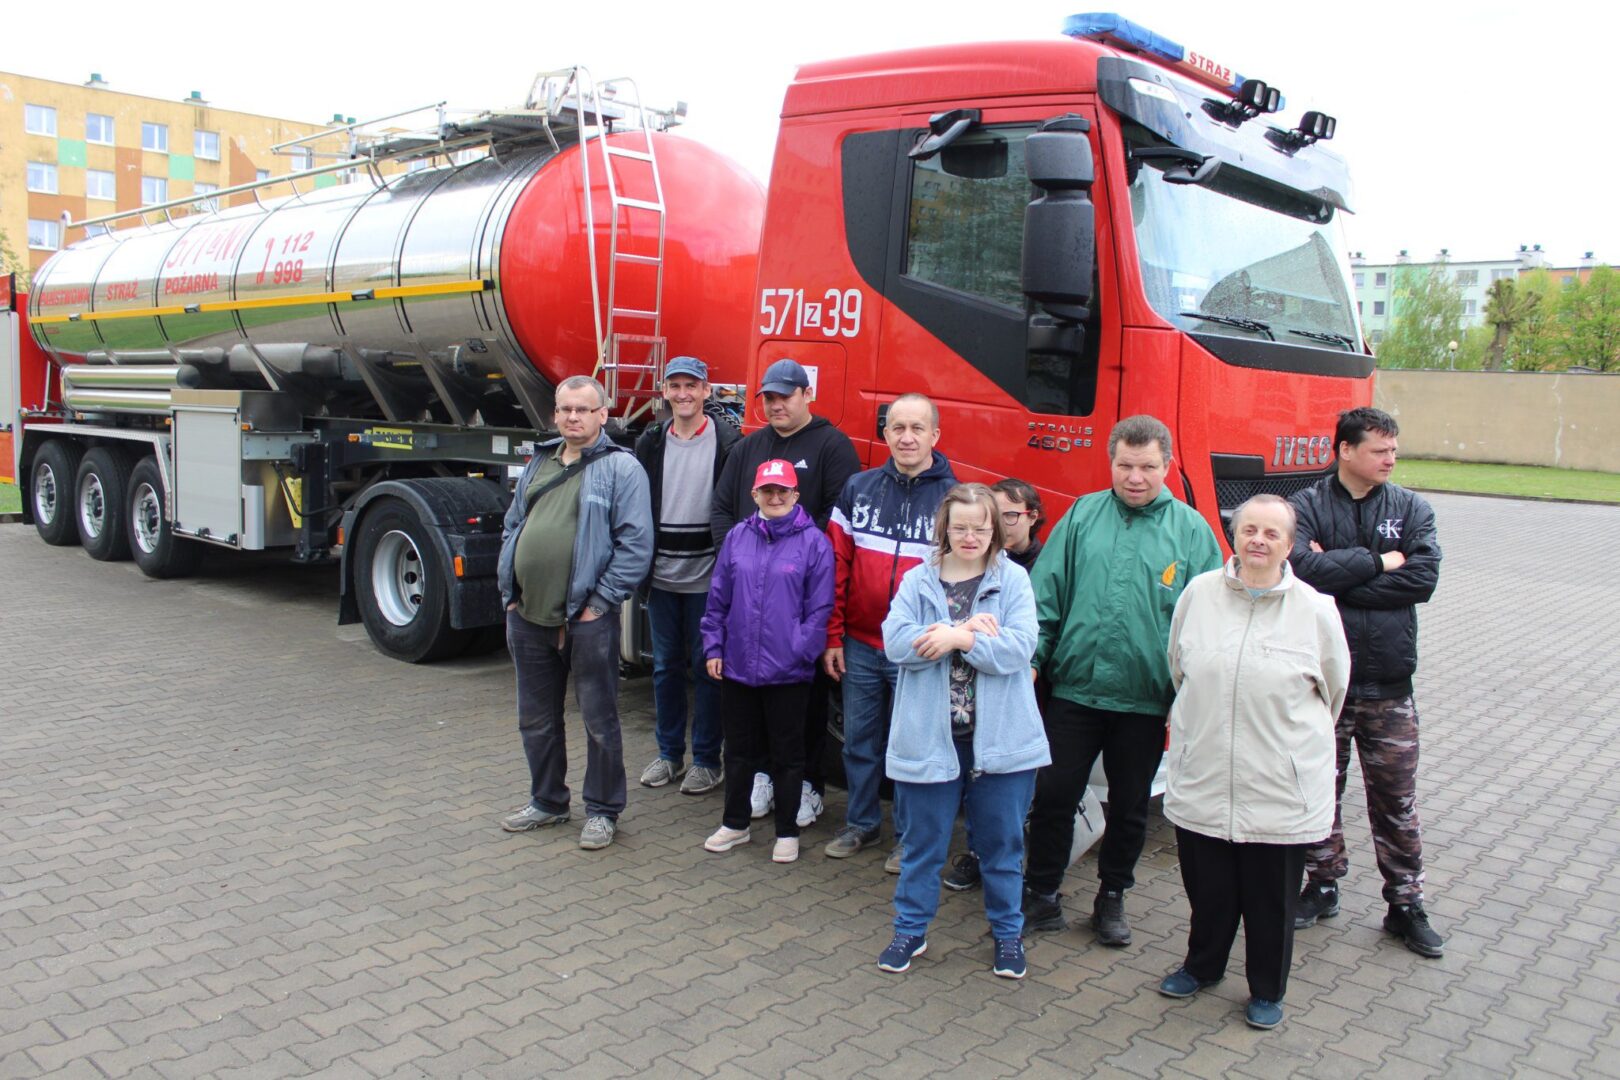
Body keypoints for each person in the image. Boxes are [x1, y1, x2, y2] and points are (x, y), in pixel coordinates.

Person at [1023, 415, 1223, 944]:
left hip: (1145, 699)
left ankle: (1112, 898)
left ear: (1167, 466)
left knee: (1131, 807)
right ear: (1111, 463)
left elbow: (1207, 623)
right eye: (1126, 465)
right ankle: (1041, 893)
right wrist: (1034, 659)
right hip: (1075, 691)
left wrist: (1193, 693)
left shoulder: (1192, 532)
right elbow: (1046, 597)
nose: (1136, 477)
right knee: (1054, 796)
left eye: (1148, 467)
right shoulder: (1082, 517)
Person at [1156, 494, 1349, 1030]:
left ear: (1289, 545)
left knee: (1270, 901)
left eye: (1271, 533)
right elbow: (1180, 667)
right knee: (1208, 889)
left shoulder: (1315, 610)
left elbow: (1333, 691)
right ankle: (1202, 967)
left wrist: (1285, 748)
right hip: (1206, 772)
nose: (1258, 541)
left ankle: (1266, 988)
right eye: (1249, 530)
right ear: (1234, 536)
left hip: (1276, 785)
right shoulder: (1199, 594)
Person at [1287, 407, 1445, 957]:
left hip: (1389, 687)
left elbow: (1422, 579)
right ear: (1346, 451)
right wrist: (1382, 564)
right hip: (1324, 688)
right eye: (1380, 450)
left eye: (1394, 450)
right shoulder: (1305, 506)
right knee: (1319, 793)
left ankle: (1405, 904)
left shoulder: (1411, 508)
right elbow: (1300, 573)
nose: (1391, 459)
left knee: (1396, 800)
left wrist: (1344, 575)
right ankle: (1322, 883)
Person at [877, 483, 1050, 978]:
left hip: (1001, 743)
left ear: (994, 528)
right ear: (944, 530)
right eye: (960, 527)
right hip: (930, 738)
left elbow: (1018, 650)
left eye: (981, 526)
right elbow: (895, 644)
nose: (970, 536)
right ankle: (909, 932)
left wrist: (955, 636)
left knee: (1001, 848)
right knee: (922, 846)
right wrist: (973, 632)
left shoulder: (1013, 581)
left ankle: (1008, 936)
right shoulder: (918, 581)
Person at [497, 376, 653, 850]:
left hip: (586, 618)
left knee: (599, 719)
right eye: (565, 409)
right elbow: (513, 523)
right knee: (536, 717)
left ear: (603, 415)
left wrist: (599, 603)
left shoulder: (621, 468)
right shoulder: (541, 460)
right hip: (527, 614)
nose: (572, 418)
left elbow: (636, 545)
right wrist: (510, 588)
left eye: (583, 410)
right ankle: (547, 802)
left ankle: (604, 810)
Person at [711, 358, 861, 829]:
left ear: (806, 395)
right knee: (749, 704)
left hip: (798, 599)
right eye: (769, 398)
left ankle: (809, 787)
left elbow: (838, 519)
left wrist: (791, 566)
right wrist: (736, 563)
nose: (776, 405)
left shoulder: (833, 446)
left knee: (803, 706)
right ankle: (760, 777)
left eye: (785, 396)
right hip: (746, 596)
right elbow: (720, 508)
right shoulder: (748, 446)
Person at [823, 394, 957, 869]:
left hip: (918, 648)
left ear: (935, 436)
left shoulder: (954, 500)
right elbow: (837, 566)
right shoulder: (858, 489)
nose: (907, 437)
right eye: (898, 427)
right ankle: (861, 824)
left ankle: (908, 837)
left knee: (911, 748)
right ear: (885, 435)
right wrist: (833, 635)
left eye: (917, 428)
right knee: (860, 741)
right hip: (858, 643)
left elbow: (964, 579)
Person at [699, 460, 835, 863]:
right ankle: (735, 823)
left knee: (788, 754)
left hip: (788, 670)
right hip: (738, 664)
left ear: (796, 495)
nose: (775, 498)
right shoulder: (738, 537)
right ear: (754, 494)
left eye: (783, 491)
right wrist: (714, 647)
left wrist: (799, 652)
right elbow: (718, 598)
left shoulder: (813, 543)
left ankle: (787, 831)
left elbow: (819, 608)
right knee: (739, 750)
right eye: (767, 491)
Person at [633, 356, 739, 796]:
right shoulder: (651, 443)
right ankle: (669, 754)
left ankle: (706, 760)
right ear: (664, 392)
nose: (682, 394)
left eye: (691, 386)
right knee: (665, 668)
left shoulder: (729, 443)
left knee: (708, 668)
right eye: (674, 386)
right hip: (662, 578)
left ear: (706, 391)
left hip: (707, 580)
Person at [943, 476, 1048, 893]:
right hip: (959, 706)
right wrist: (962, 632)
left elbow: (1019, 645)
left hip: (1014, 695)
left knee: (1004, 792)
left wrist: (960, 638)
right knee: (975, 780)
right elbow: (908, 641)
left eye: (1005, 517)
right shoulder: (932, 575)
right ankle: (976, 853)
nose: (979, 534)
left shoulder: (1024, 573)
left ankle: (1003, 870)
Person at [992, 478, 1046, 572]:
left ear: (1032, 517)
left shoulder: (1046, 565)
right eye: (994, 515)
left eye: (1010, 515)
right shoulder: (977, 555)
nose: (999, 524)